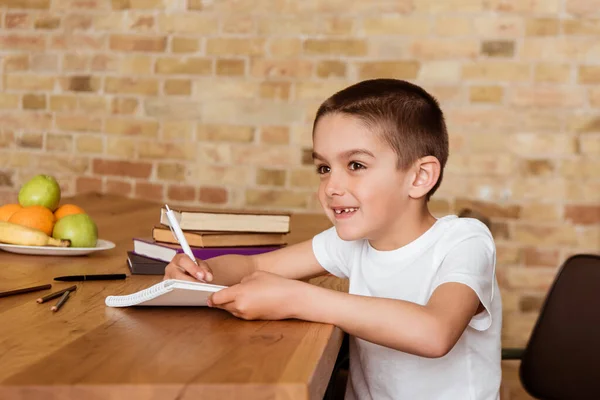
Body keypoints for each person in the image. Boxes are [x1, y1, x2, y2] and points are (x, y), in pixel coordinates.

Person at [164, 79, 501, 399]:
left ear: (419, 176)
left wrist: (299, 299)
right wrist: (201, 273)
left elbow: (435, 332)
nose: (331, 187)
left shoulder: (464, 241)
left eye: (355, 165)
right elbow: (252, 264)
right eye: (324, 168)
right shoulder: (352, 242)